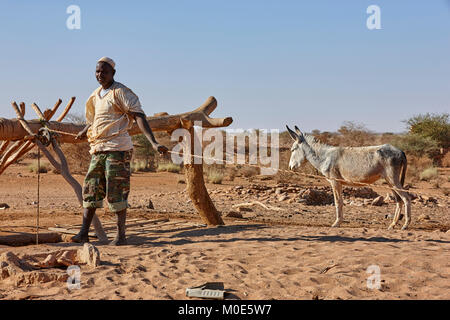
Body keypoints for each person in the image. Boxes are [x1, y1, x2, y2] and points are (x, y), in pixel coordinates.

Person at [71, 56, 168, 246]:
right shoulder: (95, 95)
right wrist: (85, 130)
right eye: (97, 71)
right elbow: (94, 120)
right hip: (98, 149)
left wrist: (154, 143)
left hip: (118, 149)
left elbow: (139, 116)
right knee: (91, 189)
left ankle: (121, 236)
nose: (100, 75)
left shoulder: (121, 92)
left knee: (117, 192)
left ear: (113, 73)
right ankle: (83, 233)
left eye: (104, 72)